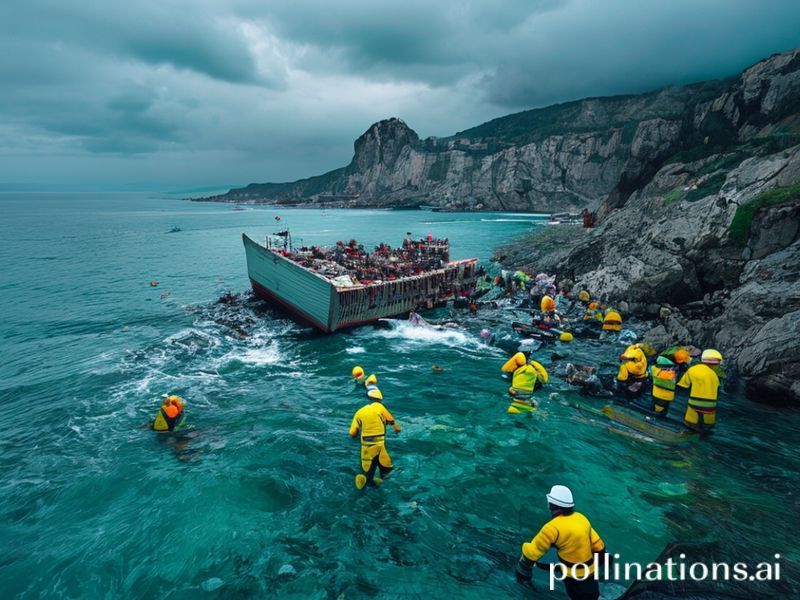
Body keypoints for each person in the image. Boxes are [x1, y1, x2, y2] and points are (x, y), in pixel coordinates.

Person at [516, 485, 606, 600]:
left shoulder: (552, 528)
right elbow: (599, 546)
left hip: (572, 574)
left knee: (575, 595)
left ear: (551, 505)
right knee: (591, 595)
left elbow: (532, 553)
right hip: (590, 571)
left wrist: (523, 570)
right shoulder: (581, 518)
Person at [349, 388, 401, 489]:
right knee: (386, 466)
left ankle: (364, 480)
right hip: (380, 443)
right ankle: (384, 481)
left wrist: (355, 436)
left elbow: (352, 432)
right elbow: (390, 419)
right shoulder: (379, 407)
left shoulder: (359, 412)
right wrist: (396, 427)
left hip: (366, 445)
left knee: (367, 467)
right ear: (380, 399)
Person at [677, 349, 722, 432]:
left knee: (690, 424)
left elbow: (683, 385)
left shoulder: (692, 370)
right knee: (707, 427)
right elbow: (718, 388)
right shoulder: (714, 375)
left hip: (694, 403)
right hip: (710, 407)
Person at [650, 347, 692, 416]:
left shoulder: (662, 358)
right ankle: (658, 413)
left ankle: (655, 411)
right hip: (666, 392)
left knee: (657, 403)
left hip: (656, 389)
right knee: (660, 406)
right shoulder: (673, 369)